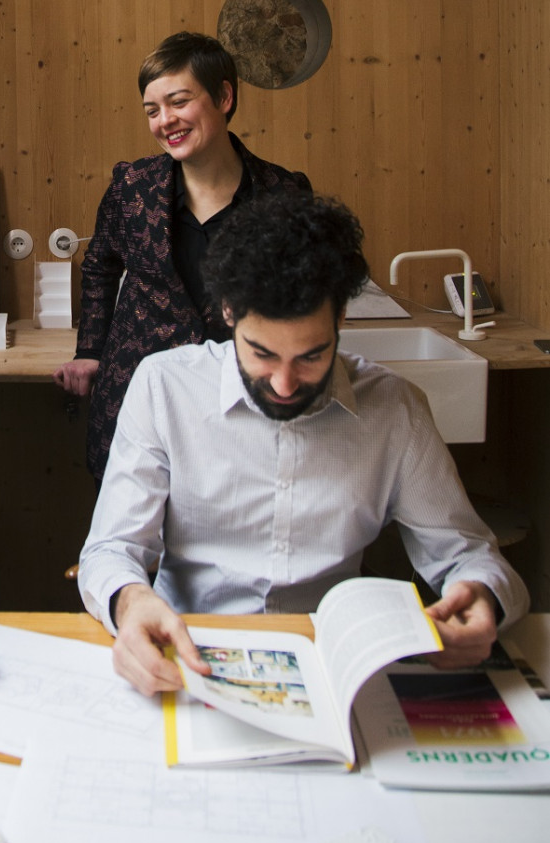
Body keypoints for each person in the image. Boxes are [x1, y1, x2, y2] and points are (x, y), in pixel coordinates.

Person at [78, 194, 529, 697]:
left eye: (311, 357)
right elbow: (112, 548)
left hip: (337, 663)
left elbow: (469, 555)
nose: (285, 384)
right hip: (188, 653)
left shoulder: (395, 408)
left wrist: (482, 595)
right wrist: (130, 601)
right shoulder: (165, 387)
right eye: (262, 354)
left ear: (341, 320)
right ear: (229, 313)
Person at [53, 30, 310, 480]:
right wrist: (89, 350)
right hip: (136, 396)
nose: (165, 121)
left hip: (242, 403)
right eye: (152, 110)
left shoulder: (284, 194)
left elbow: (305, 295)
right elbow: (100, 266)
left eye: (178, 102)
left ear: (224, 97)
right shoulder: (132, 186)